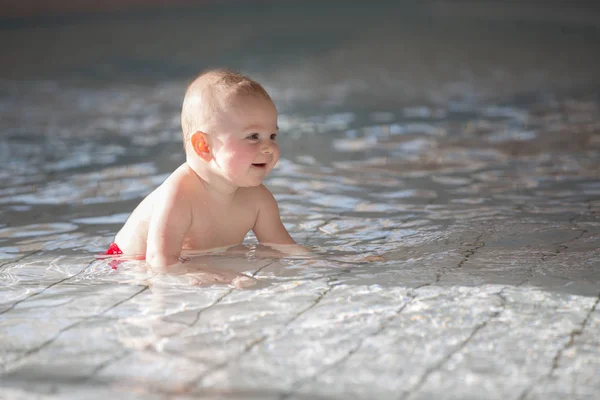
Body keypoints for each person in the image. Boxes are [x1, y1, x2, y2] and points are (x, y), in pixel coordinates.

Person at [107, 69, 302, 271]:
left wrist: (322, 263)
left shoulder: (259, 199)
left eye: (272, 136)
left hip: (193, 258)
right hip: (125, 265)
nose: (268, 147)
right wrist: (205, 276)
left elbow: (284, 248)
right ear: (204, 146)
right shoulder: (179, 194)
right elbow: (159, 263)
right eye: (253, 136)